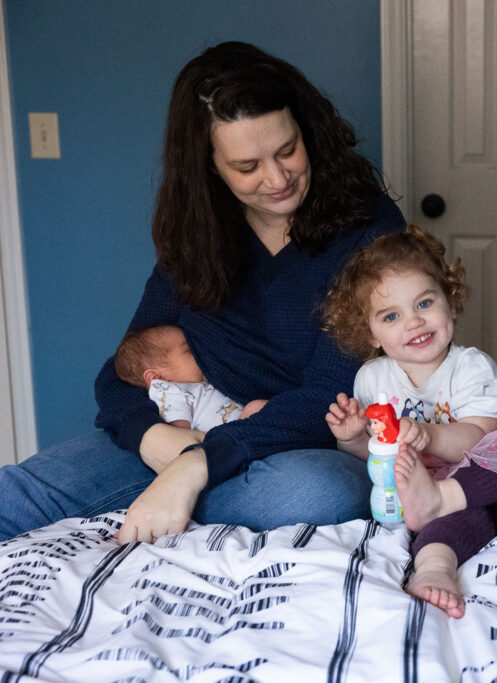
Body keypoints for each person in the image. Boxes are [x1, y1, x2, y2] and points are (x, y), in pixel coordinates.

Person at [0, 41, 406, 544]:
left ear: (308, 132)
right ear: (210, 165)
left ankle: (179, 500)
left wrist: (195, 469)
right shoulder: (200, 230)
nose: (278, 179)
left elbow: (329, 394)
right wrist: (153, 438)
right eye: (246, 166)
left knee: (319, 494)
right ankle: (177, 494)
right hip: (187, 432)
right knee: (11, 497)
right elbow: (123, 371)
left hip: (294, 444)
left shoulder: (369, 227)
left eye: (287, 151)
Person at [322, 225, 497, 618]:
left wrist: (430, 436)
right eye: (391, 315)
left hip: (482, 474)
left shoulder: (469, 366)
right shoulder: (372, 379)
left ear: (449, 302)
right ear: (372, 333)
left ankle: (438, 526)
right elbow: (378, 455)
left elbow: (481, 434)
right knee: (454, 519)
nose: (413, 322)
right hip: (423, 491)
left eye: (424, 304)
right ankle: (434, 568)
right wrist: (351, 440)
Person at [114, 325, 266, 431]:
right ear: (157, 377)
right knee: (256, 407)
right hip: (231, 440)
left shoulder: (198, 381)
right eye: (188, 350)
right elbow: (178, 435)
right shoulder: (169, 392)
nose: (197, 351)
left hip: (243, 427)